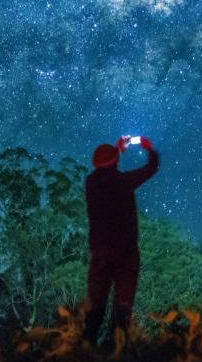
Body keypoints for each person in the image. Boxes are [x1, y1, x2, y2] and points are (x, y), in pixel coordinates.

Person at [82, 135, 159, 347]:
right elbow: (152, 167)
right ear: (115, 161)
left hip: (100, 253)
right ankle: (119, 348)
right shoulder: (124, 182)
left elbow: (106, 167)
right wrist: (148, 148)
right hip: (126, 254)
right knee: (123, 306)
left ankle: (85, 349)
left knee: (96, 305)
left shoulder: (91, 183)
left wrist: (118, 150)